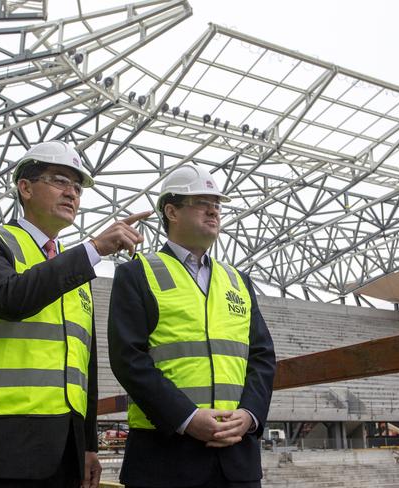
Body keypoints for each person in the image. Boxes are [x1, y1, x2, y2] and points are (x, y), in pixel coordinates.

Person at [0, 140, 151, 488]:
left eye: (77, 187)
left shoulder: (76, 270)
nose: (72, 193)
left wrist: (89, 444)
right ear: (25, 188)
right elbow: (11, 299)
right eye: (59, 181)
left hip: (64, 453)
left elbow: (84, 368)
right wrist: (94, 249)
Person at [108, 165, 276, 488]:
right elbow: (128, 359)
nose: (214, 210)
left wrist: (250, 415)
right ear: (171, 211)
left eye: (217, 204)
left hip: (237, 460)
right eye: (201, 202)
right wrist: (186, 417)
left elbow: (262, 357)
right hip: (165, 460)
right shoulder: (137, 274)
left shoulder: (238, 281)